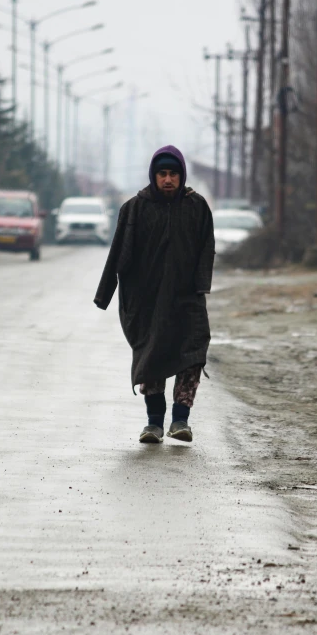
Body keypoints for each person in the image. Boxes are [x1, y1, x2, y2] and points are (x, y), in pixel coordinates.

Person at [94, 145, 215, 444]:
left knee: (192, 355)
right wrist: (105, 294)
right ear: (154, 176)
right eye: (162, 174)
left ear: (181, 175)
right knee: (151, 358)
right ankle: (153, 424)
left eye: (173, 173)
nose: (168, 180)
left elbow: (206, 250)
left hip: (187, 299)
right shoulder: (135, 208)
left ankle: (180, 420)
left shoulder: (197, 207)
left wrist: (201, 286)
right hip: (145, 301)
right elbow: (117, 254)